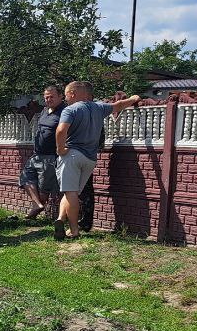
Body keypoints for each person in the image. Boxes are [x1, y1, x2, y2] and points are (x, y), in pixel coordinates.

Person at [54, 81, 140, 240]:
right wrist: (134, 99)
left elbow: (60, 130)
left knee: (70, 192)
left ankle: (73, 230)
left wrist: (60, 149)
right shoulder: (99, 107)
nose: (65, 99)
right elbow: (119, 105)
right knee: (72, 192)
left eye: (66, 95)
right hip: (90, 158)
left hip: (72, 154)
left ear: (73, 93)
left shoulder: (70, 110)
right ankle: (60, 219)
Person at [20, 85, 64, 219]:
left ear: (60, 96)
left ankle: (33, 214)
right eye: (46, 97)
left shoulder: (64, 112)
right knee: (25, 178)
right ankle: (37, 204)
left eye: (52, 96)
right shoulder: (45, 110)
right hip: (37, 154)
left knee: (44, 187)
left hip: (50, 156)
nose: (48, 99)